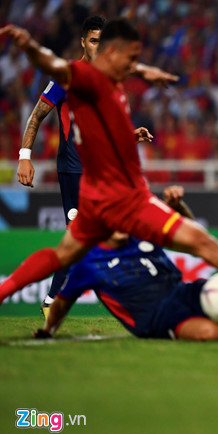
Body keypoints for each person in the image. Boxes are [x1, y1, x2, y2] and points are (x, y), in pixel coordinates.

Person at [0, 20, 218, 309]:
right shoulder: (81, 77)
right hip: (120, 197)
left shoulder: (114, 83)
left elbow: (105, 128)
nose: (134, 64)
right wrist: (28, 45)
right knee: (202, 244)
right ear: (108, 50)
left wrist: (141, 82)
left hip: (102, 198)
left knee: (66, 253)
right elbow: (53, 66)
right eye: (131, 57)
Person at [33, 186, 218, 342]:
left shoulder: (140, 235)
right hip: (156, 321)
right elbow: (62, 302)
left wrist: (177, 207)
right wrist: (49, 330)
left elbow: (191, 233)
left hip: (183, 293)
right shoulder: (89, 263)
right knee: (209, 334)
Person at [16, 16, 106, 315]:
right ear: (83, 42)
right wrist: (25, 157)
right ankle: (50, 300)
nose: (99, 47)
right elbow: (37, 115)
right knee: (82, 240)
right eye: (94, 41)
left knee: (88, 241)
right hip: (74, 170)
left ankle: (52, 300)